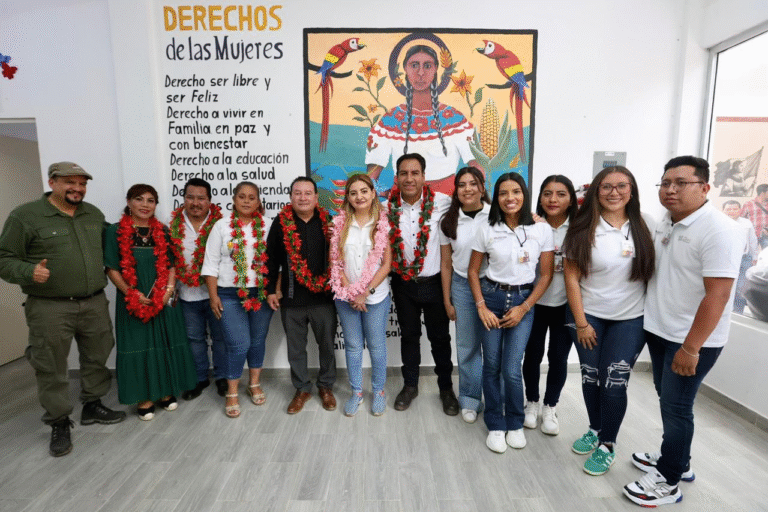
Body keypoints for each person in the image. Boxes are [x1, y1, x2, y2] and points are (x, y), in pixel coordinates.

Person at [624, 156, 744, 507]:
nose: (671, 190)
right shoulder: (667, 221)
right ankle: (678, 458)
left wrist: (691, 348)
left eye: (681, 183)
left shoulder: (719, 230)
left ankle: (669, 478)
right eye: (665, 183)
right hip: (662, 331)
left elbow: (718, 295)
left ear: (705, 188)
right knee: (668, 400)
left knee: (677, 407)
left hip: (692, 340)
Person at [0, 162, 125, 457]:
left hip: (93, 301)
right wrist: (28, 271)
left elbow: (115, 242)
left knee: (98, 354)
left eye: (82, 184)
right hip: (50, 306)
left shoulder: (92, 214)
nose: (77, 189)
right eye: (70, 182)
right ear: (52, 182)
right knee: (51, 365)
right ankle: (58, 422)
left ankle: (92, 404)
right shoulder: (25, 216)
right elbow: (4, 258)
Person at [564, 166, 655, 476]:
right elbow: (572, 278)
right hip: (587, 316)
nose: (614, 192)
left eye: (621, 186)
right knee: (590, 376)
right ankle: (595, 428)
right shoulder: (582, 227)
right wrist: (581, 322)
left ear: (632, 190)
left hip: (630, 319)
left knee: (614, 381)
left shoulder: (647, 225)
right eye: (606, 187)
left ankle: (608, 444)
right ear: (596, 191)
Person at [468, 172, 554, 453]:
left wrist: (524, 308)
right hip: (492, 299)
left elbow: (546, 275)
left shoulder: (541, 229)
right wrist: (481, 306)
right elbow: (473, 271)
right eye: (503, 193)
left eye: (516, 192)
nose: (510, 198)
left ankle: (515, 422)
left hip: (522, 302)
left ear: (524, 195)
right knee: (491, 365)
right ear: (496, 198)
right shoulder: (487, 228)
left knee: (511, 368)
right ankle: (495, 423)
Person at [105, 184, 197, 421]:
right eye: (139, 199)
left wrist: (168, 291)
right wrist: (131, 293)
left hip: (162, 297)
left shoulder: (163, 231)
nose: (145, 205)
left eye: (150, 200)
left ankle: (165, 392)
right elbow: (112, 268)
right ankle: (143, 397)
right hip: (132, 299)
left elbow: (172, 265)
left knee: (165, 342)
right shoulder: (115, 231)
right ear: (129, 202)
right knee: (139, 345)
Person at [387, 152, 459, 415]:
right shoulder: (386, 208)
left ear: (424, 176)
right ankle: (410, 385)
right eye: (404, 173)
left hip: (434, 283)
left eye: (415, 173)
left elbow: (476, 209)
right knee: (409, 336)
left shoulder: (443, 202)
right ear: (397, 177)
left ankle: (446, 388)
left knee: (440, 339)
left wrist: (533, 218)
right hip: (402, 284)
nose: (409, 178)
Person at [366, 44, 482, 195]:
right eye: (414, 65)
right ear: (405, 69)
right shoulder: (391, 120)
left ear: (436, 70)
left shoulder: (455, 120)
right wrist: (387, 194)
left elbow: (478, 168)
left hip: (447, 204)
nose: (420, 73)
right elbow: (370, 178)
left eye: (427, 66)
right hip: (402, 204)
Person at [266, 176, 338, 414]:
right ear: (291, 197)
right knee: (296, 349)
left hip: (323, 298)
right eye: (298, 193)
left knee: (327, 346)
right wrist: (271, 290)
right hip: (292, 298)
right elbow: (271, 260)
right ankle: (302, 389)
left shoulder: (329, 222)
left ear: (316, 197)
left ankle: (326, 386)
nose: (303, 198)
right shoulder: (281, 223)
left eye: (308, 193)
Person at [202, 182, 273, 418]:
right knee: (238, 343)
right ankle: (232, 392)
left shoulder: (268, 225)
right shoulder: (221, 227)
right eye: (242, 196)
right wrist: (213, 296)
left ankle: (254, 384)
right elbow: (210, 264)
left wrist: (276, 290)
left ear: (258, 202)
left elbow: (277, 263)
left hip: (261, 293)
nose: (246, 201)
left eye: (252, 197)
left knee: (257, 341)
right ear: (234, 200)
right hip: (229, 294)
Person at [330, 174, 392, 416]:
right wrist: (350, 292)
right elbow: (336, 262)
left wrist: (365, 292)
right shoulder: (339, 224)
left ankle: (378, 391)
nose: (359, 197)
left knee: (376, 346)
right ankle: (356, 391)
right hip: (345, 297)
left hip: (375, 297)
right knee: (353, 346)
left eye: (364, 191)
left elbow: (386, 265)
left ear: (373, 193)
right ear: (347, 197)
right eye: (353, 192)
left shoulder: (382, 223)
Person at [522, 175, 578, 436]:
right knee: (532, 355)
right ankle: (531, 402)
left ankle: (550, 406)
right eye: (547, 193)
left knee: (558, 357)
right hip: (534, 302)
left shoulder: (579, 228)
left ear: (571, 199)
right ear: (540, 198)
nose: (553, 199)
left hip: (565, 304)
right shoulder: (529, 225)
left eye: (560, 194)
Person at [439, 167, 491, 423]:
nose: (467, 189)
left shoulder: (497, 215)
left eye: (473, 183)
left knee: (494, 348)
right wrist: (447, 299)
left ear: (482, 188)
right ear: (456, 190)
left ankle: (497, 399)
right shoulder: (448, 221)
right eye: (462, 184)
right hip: (461, 286)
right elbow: (446, 264)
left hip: (492, 285)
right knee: (467, 346)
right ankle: (470, 398)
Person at [169, 178, 227, 400]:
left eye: (201, 198)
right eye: (190, 197)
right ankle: (199, 378)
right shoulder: (172, 224)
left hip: (217, 293)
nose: (195, 203)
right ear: (183, 199)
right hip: (186, 294)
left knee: (220, 338)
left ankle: (222, 377)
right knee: (194, 339)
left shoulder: (221, 224)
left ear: (209, 201)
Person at [722, 200, 759, 313]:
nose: (732, 211)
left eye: (735, 209)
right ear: (723, 210)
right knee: (724, 287)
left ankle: (737, 313)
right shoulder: (718, 223)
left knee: (741, 288)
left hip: (744, 259)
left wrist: (755, 257)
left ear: (740, 210)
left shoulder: (746, 223)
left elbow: (752, 241)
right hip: (725, 259)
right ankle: (723, 312)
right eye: (728, 209)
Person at [739, 183, 768, 248]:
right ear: (762, 193)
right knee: (751, 253)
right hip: (752, 235)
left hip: (766, 235)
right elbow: (741, 219)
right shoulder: (748, 204)